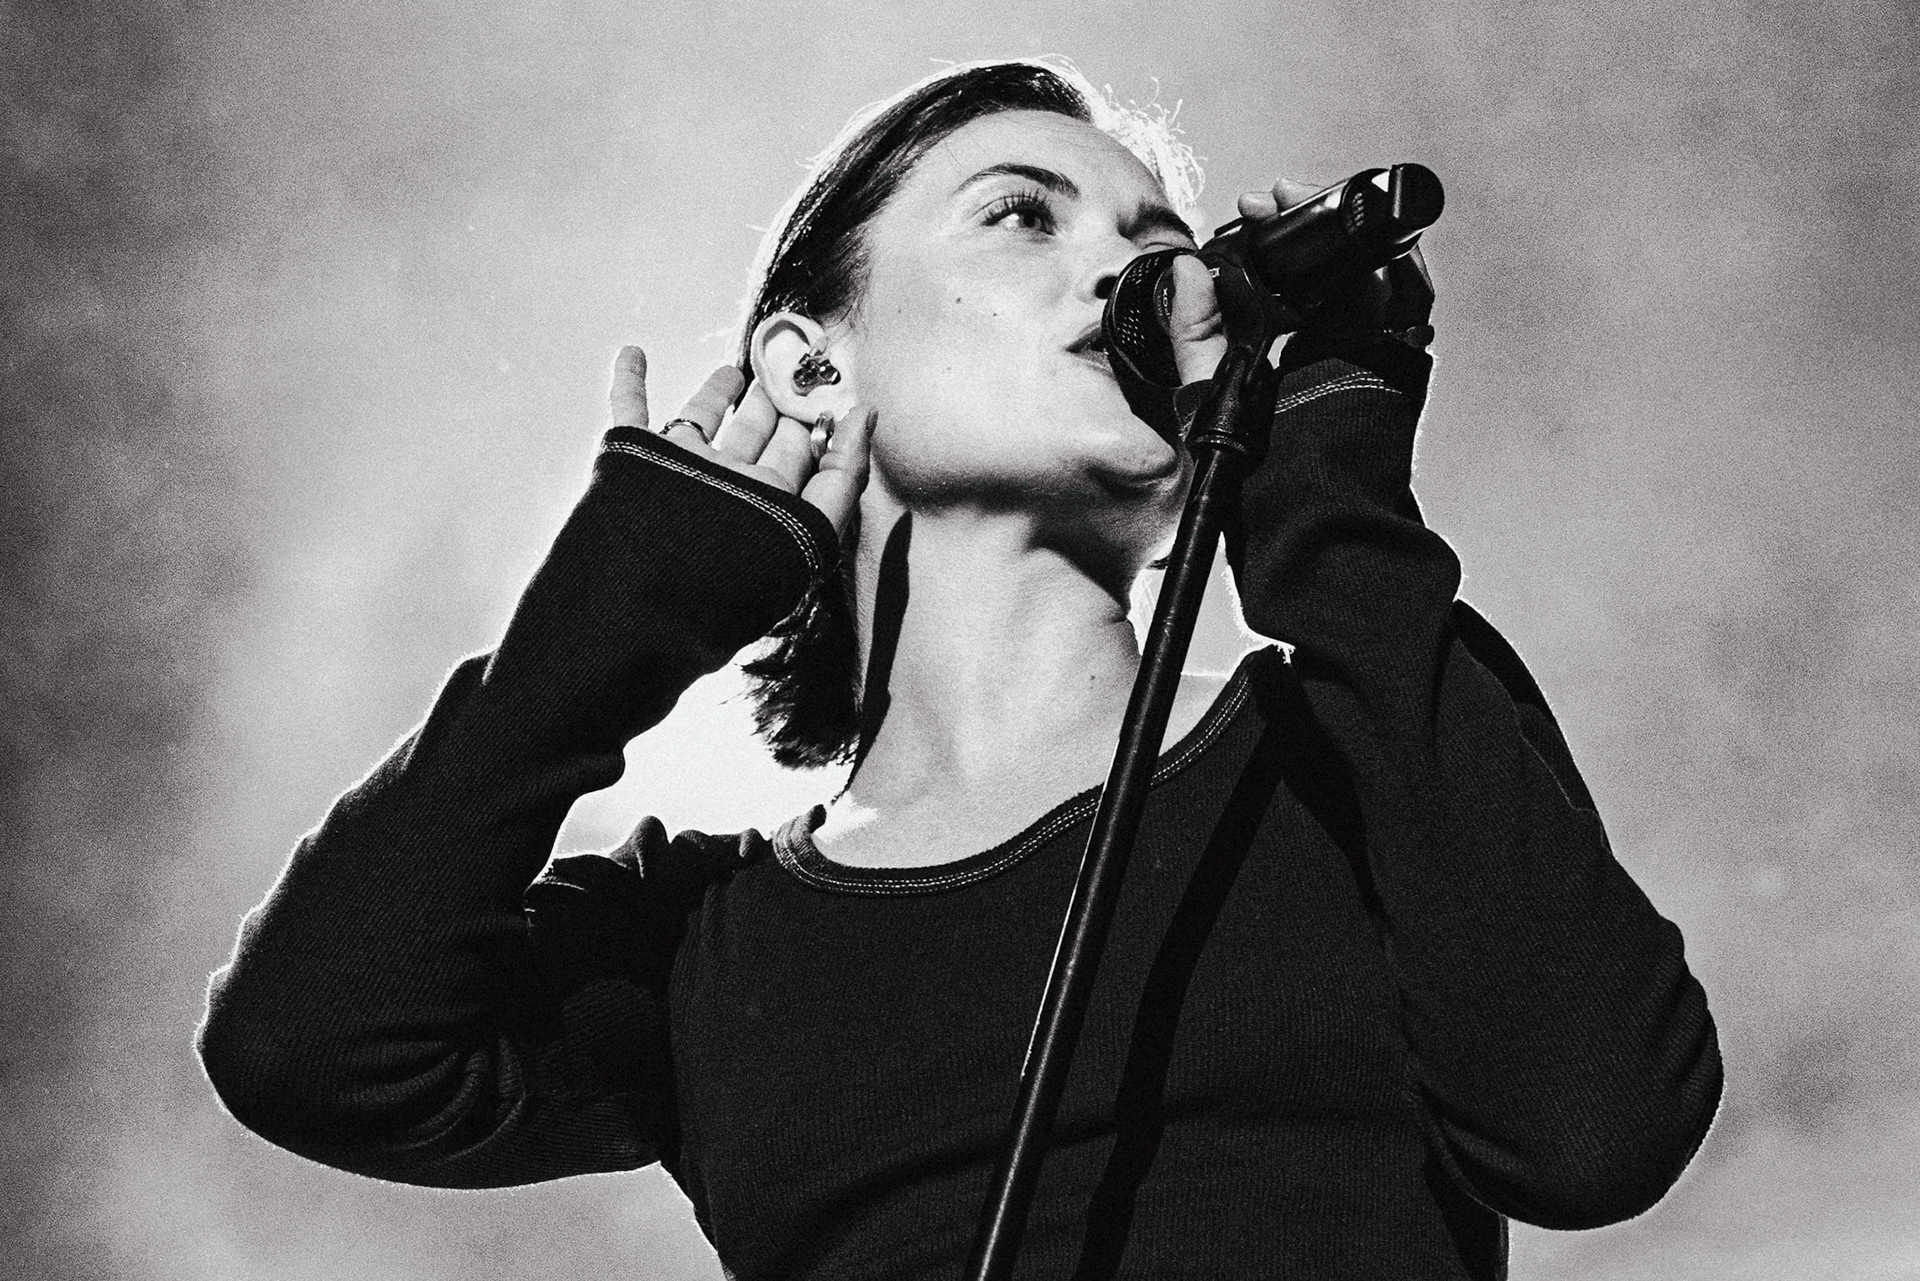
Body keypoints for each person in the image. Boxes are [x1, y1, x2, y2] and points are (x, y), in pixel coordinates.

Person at [197, 58, 1722, 1280]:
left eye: (1158, 246)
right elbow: (305, 1045)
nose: (1130, 274)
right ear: (811, 367)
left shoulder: (1358, 730)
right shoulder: (706, 939)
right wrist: (620, 609)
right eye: (1022, 217)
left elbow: (1594, 1131)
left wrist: (1330, 507)